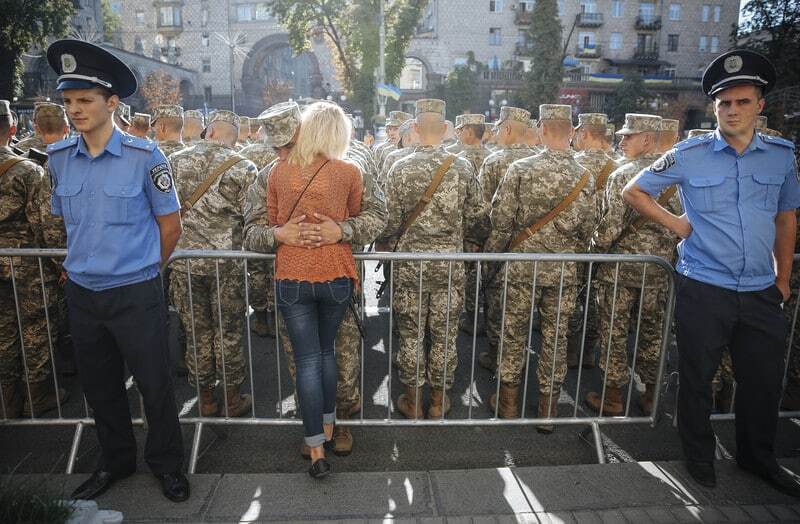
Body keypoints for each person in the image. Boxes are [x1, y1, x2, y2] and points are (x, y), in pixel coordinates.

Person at [623, 49, 800, 497]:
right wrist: (679, 225)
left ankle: (757, 458)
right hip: (704, 286)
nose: (733, 110)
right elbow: (636, 191)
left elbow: (786, 218)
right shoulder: (691, 153)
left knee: (761, 381)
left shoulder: (781, 156)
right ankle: (698, 457)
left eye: (743, 101)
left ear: (760, 105)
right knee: (697, 377)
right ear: (715, 108)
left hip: (761, 290)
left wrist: (783, 279)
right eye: (725, 103)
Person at [45, 39, 188, 502]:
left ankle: (167, 466)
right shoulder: (60, 158)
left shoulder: (146, 158)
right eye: (68, 102)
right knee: (101, 388)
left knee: (155, 385)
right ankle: (116, 461)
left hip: (135, 291)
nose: (74, 110)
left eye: (84, 101)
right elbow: (68, 225)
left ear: (112, 103)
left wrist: (146, 268)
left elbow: (171, 225)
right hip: (84, 294)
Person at [243, 101, 386, 459]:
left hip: (337, 276)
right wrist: (279, 234)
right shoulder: (270, 173)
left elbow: (379, 216)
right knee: (305, 359)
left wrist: (342, 229)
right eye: (276, 147)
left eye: (287, 144)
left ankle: (340, 424)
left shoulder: (351, 166)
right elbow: (250, 232)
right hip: (301, 275)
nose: (282, 152)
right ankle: (317, 427)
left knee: (344, 358)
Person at [378, 98, 490, 421]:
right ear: (445, 130)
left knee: (411, 334)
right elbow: (479, 217)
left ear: (413, 128)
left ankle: (413, 403)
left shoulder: (399, 167)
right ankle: (438, 403)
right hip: (450, 267)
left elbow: (388, 222)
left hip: (411, 266)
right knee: (444, 335)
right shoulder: (462, 167)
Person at [268, 101, 363, 478]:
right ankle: (327, 425)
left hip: (292, 274)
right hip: (336, 274)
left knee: (307, 360)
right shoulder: (349, 171)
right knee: (326, 355)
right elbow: (353, 215)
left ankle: (315, 451)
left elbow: (275, 221)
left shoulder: (278, 172)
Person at [484, 104, 594, 430]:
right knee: (555, 338)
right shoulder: (584, 176)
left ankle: (508, 403)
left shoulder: (520, 168)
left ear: (542, 130)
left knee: (513, 334)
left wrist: (493, 255)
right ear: (572, 133)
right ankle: (548, 410)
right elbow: (588, 228)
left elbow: (500, 220)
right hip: (562, 269)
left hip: (521, 267)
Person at [585, 113, 680, 417]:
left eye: (629, 136)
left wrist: (592, 251)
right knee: (652, 335)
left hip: (621, 272)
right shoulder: (680, 177)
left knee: (614, 333)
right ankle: (652, 397)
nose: (621, 141)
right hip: (659, 271)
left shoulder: (623, 175)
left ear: (649, 139)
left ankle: (613, 398)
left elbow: (610, 229)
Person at [168, 110, 257, 418]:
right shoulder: (244, 167)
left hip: (185, 261)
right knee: (228, 331)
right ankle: (232, 399)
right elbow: (253, 220)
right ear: (233, 136)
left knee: (197, 332)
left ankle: (206, 400)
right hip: (227, 264)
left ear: (211, 132)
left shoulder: (176, 160)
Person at [0, 99, 69, 419]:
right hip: (26, 265)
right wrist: (62, 262)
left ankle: (8, 399)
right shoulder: (27, 170)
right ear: (12, 128)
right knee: (36, 328)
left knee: (3, 331)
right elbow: (47, 225)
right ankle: (36, 395)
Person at [478, 106, 535, 356]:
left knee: (497, 306)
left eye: (499, 126)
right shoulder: (539, 160)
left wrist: (486, 245)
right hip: (539, 253)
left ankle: (494, 355)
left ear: (508, 128)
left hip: (502, 250)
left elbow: (483, 210)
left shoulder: (494, 161)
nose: (496, 131)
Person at [567, 113, 616, 369]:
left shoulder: (571, 165)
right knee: (597, 303)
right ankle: (588, 352)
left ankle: (571, 351)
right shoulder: (618, 168)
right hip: (606, 249)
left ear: (584, 134)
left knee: (572, 301)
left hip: (574, 247)